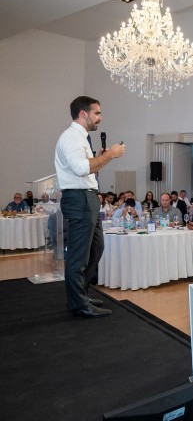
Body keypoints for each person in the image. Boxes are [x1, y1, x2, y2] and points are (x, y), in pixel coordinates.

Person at [55, 95, 125, 318]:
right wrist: (111, 155)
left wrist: (101, 159)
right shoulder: (72, 137)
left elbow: (87, 167)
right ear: (83, 114)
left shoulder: (81, 138)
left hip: (87, 197)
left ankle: (81, 295)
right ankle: (78, 304)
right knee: (79, 255)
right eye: (97, 113)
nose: (100, 118)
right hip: (79, 198)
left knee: (96, 248)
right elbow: (80, 168)